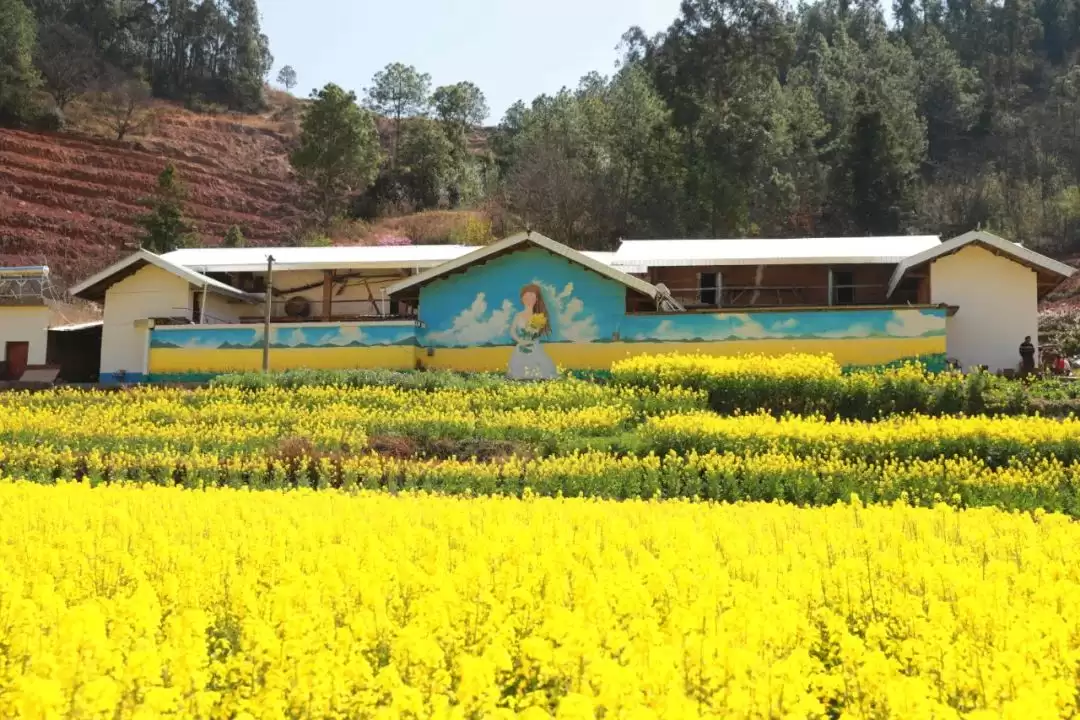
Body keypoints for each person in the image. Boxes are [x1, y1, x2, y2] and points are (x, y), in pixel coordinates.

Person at [507, 283, 558, 380]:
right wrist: (520, 341)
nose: (528, 300)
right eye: (526, 297)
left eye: (532, 297)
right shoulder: (518, 315)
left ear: (536, 299)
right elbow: (512, 331)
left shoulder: (538, 317)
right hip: (521, 347)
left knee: (539, 369)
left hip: (534, 346)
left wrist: (532, 331)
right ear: (522, 299)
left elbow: (537, 332)